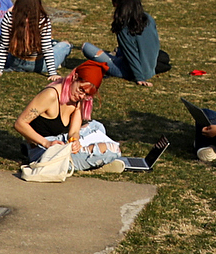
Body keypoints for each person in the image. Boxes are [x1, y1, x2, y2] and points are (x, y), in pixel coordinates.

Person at [11, 62, 145, 174]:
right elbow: (20, 123)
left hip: (60, 142)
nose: (82, 96)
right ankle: (94, 160)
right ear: (74, 77)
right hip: (43, 149)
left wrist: (74, 141)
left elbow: (74, 131)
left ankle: (90, 158)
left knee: (98, 127)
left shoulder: (78, 101)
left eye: (87, 95)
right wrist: (46, 143)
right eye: (81, 90)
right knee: (114, 150)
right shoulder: (51, 95)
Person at [0, 0, 65, 75]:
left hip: (15, 62)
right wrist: (52, 73)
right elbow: (47, 49)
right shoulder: (42, 20)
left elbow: (4, 46)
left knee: (52, 43)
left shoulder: (9, 17)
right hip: (39, 65)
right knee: (65, 46)